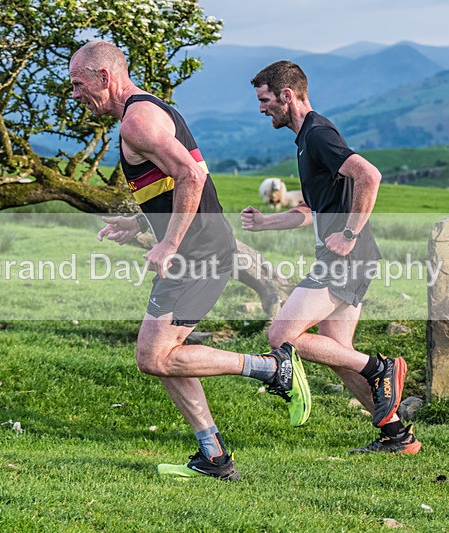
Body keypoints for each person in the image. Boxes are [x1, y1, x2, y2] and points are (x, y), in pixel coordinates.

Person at [69, 41, 312, 480]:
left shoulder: (137, 122)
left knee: (153, 356)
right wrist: (143, 227)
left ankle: (271, 368)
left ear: (104, 77)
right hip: (197, 249)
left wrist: (169, 244)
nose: (75, 93)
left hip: (198, 253)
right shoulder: (147, 112)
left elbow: (192, 176)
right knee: (163, 352)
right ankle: (213, 454)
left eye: (78, 83)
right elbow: (173, 188)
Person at [242, 60, 421, 454]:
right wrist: (266, 223)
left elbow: (369, 175)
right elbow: (312, 209)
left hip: (346, 256)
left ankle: (381, 368)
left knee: (283, 336)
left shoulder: (318, 134)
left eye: (265, 99)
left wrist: (350, 232)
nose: (261, 108)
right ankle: (397, 438)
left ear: (287, 96)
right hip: (349, 255)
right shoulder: (307, 138)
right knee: (338, 352)